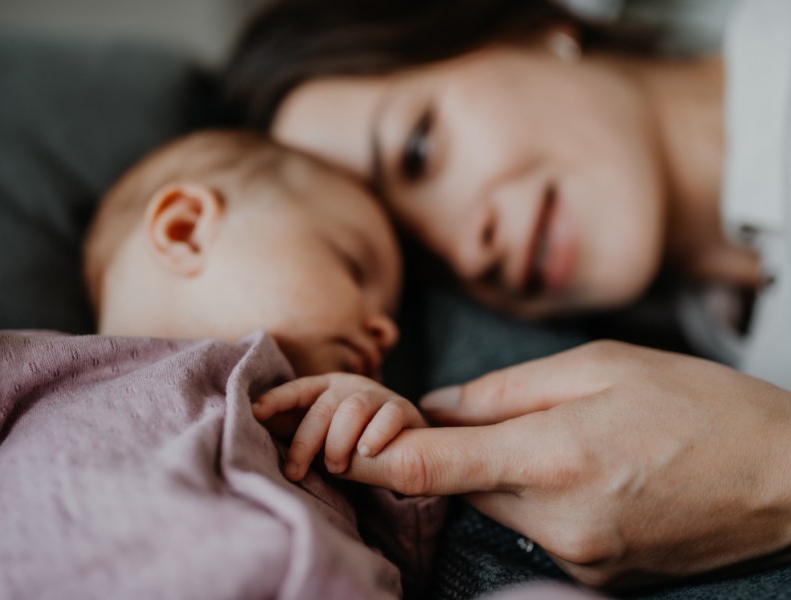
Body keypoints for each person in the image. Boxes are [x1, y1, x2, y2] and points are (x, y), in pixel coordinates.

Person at [223, 0, 791, 590]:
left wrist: (769, 470)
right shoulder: (716, 325)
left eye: (418, 151)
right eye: (419, 259)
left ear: (537, 26)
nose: (470, 254)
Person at [0, 129, 447, 599]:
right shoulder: (46, 368)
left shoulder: (327, 446)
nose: (387, 331)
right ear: (185, 230)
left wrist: (388, 448)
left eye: (391, 315)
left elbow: (408, 566)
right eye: (351, 266)